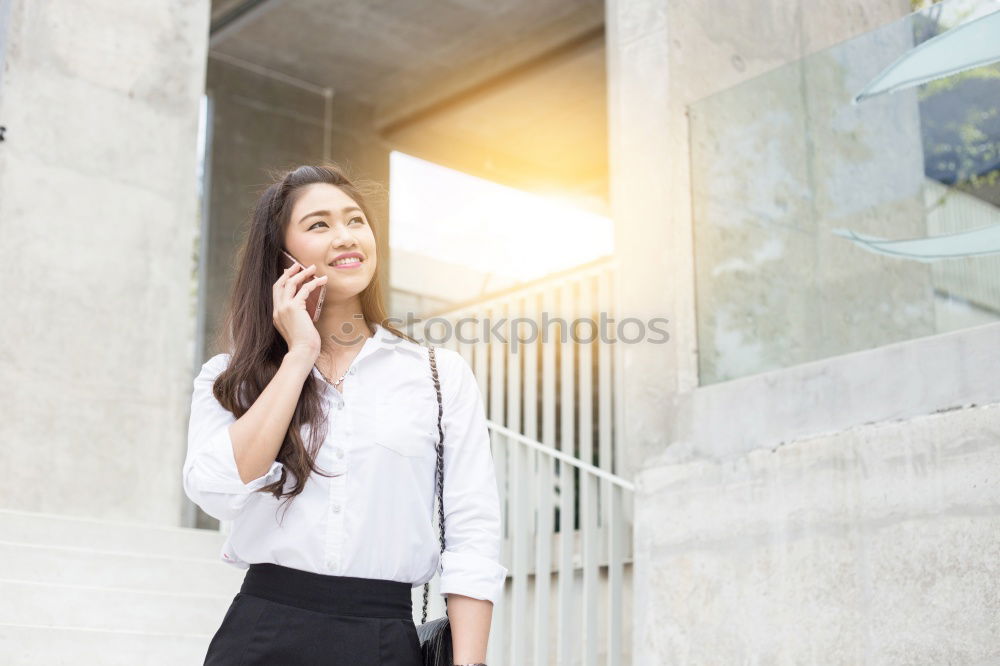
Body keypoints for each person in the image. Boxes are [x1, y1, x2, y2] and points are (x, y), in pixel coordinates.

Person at [183, 164, 506, 665]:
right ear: (281, 256)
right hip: (263, 629)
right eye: (318, 225)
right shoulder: (233, 377)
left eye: (356, 220)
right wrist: (298, 356)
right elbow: (216, 491)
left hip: (383, 639)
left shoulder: (439, 376)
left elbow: (472, 533)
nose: (345, 236)